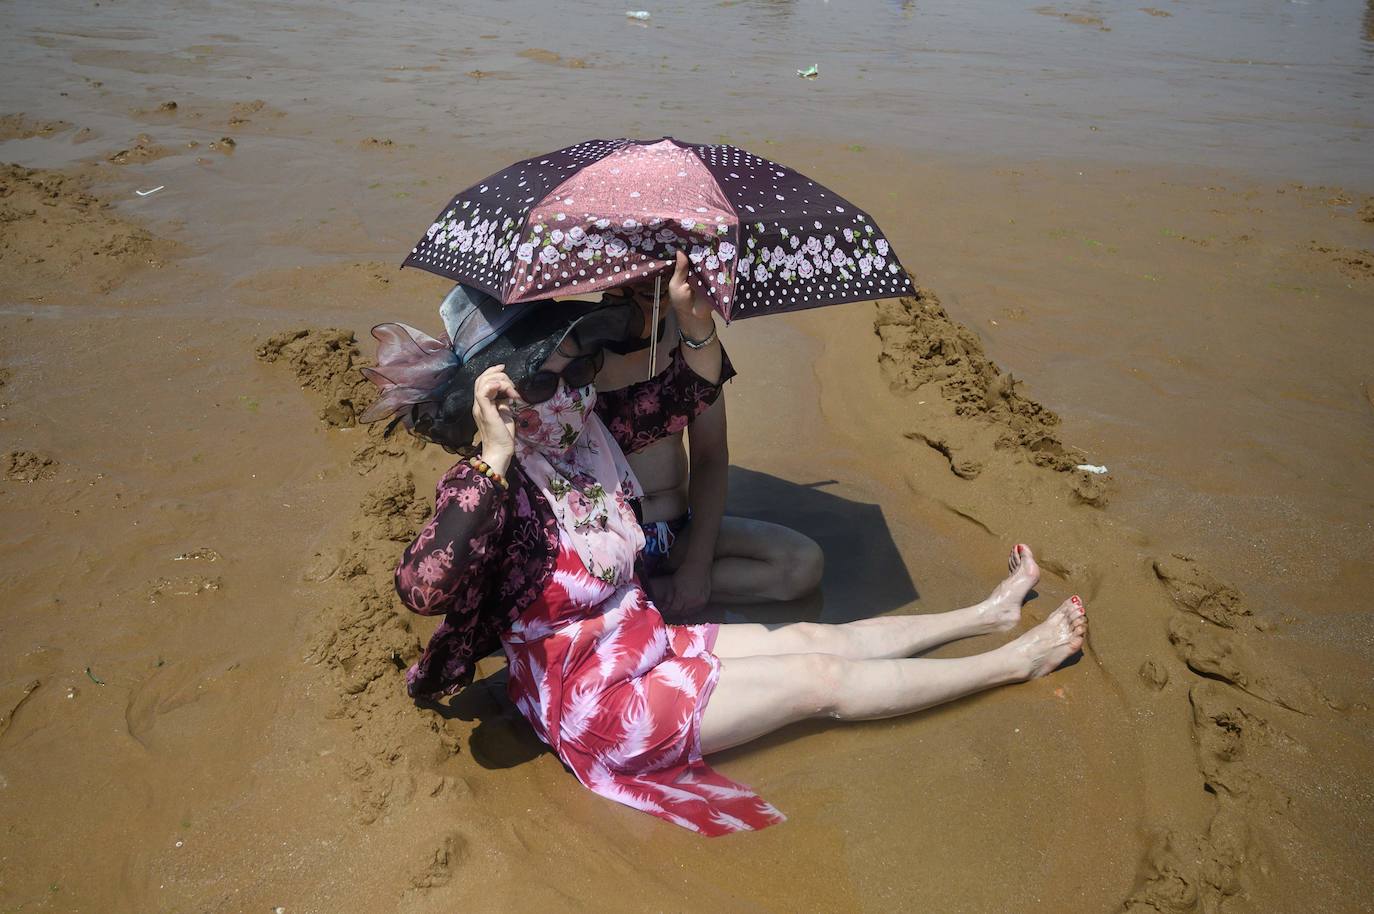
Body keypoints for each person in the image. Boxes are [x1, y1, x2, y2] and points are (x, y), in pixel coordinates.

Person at [361, 262, 1088, 836]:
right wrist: (491, 454)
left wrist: (692, 320)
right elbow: (422, 589)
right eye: (551, 376)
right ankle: (1014, 661)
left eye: (582, 367)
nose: (576, 388)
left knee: (809, 634)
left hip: (639, 644)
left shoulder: (588, 436)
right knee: (817, 680)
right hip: (598, 707)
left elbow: (684, 394)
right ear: (500, 396)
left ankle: (984, 618)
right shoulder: (491, 484)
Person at [594, 267, 824, 619]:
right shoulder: (575, 349)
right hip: (603, 540)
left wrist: (697, 567)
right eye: (629, 289)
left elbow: (711, 457)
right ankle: (634, 596)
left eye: (656, 289)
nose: (644, 293)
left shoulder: (695, 344)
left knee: (802, 564)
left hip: (675, 533)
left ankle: (645, 596)